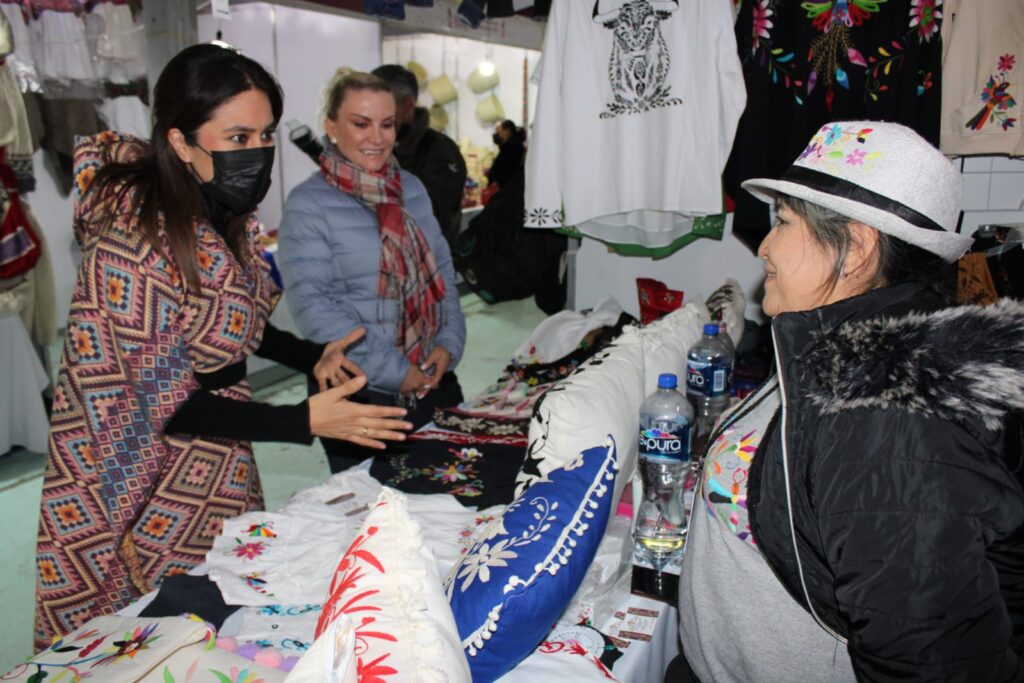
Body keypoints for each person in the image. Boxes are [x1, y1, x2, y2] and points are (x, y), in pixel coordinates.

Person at [33, 45, 412, 649]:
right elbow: (168, 402)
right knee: (143, 634)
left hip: (216, 453)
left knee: (217, 614)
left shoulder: (219, 213)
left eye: (263, 135)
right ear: (181, 142)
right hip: (134, 473)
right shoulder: (130, 242)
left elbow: (234, 322)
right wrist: (302, 418)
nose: (256, 153)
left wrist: (305, 357)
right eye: (237, 136)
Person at [676, 121, 1024, 681]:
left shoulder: (887, 422)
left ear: (857, 249)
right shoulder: (833, 348)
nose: (764, 244)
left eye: (784, 222)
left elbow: (929, 660)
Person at [278, 70, 466, 474]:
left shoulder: (410, 188)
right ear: (331, 127)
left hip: (430, 379)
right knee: (371, 514)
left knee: (442, 497)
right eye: (360, 124)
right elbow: (315, 308)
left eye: (386, 125)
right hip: (358, 395)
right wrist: (399, 374)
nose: (376, 138)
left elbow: (442, 270)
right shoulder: (308, 204)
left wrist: (448, 343)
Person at [371, 64, 467, 257]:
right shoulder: (374, 146)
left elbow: (431, 217)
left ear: (407, 105)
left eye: (382, 106)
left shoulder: (438, 151)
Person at [486, 119, 525, 189]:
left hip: (507, 184)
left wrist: (493, 178)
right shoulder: (513, 143)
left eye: (500, 132)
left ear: (507, 131)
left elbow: (504, 166)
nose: (500, 135)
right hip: (508, 182)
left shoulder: (511, 146)